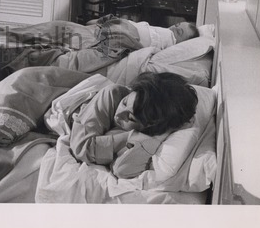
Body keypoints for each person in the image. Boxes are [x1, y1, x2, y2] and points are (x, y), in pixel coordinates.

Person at [69, 72, 198, 178]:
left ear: (150, 125)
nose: (119, 114)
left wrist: (160, 136)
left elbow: (121, 169)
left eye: (130, 117)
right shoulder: (113, 94)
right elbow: (82, 148)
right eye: (125, 103)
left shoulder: (146, 133)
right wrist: (128, 136)